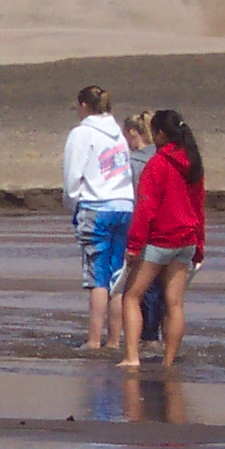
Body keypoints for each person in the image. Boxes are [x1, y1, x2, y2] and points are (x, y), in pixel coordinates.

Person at [120, 110, 208, 371]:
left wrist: (134, 245)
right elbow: (198, 206)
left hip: (160, 240)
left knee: (131, 296)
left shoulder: (157, 164)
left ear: (159, 134)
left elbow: (146, 208)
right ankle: (168, 361)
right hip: (186, 239)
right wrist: (200, 246)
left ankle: (132, 357)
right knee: (174, 302)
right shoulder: (193, 163)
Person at [64, 85, 135, 352]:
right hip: (124, 206)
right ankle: (115, 340)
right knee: (117, 275)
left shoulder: (82, 134)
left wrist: (71, 204)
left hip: (97, 206)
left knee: (97, 277)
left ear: (84, 106)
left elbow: (73, 177)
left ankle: (94, 340)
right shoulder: (118, 132)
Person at [119, 110, 167, 347]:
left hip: (147, 227)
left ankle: (147, 337)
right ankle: (158, 336)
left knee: (141, 287)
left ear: (132, 133)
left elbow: (137, 200)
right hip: (170, 227)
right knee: (164, 288)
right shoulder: (165, 157)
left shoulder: (135, 162)